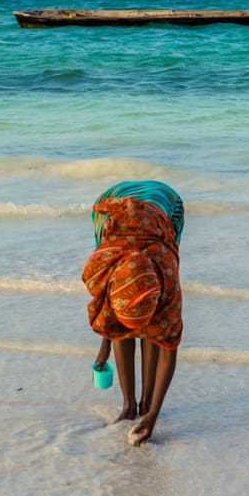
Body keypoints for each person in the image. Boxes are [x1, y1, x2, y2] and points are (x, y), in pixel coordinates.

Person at [81, 181, 184, 446]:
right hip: (114, 205)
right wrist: (105, 345)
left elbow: (168, 346)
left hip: (165, 207)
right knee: (130, 322)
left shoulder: (168, 277)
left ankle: (146, 403)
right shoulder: (103, 266)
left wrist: (154, 414)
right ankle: (128, 405)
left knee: (155, 329)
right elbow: (107, 309)